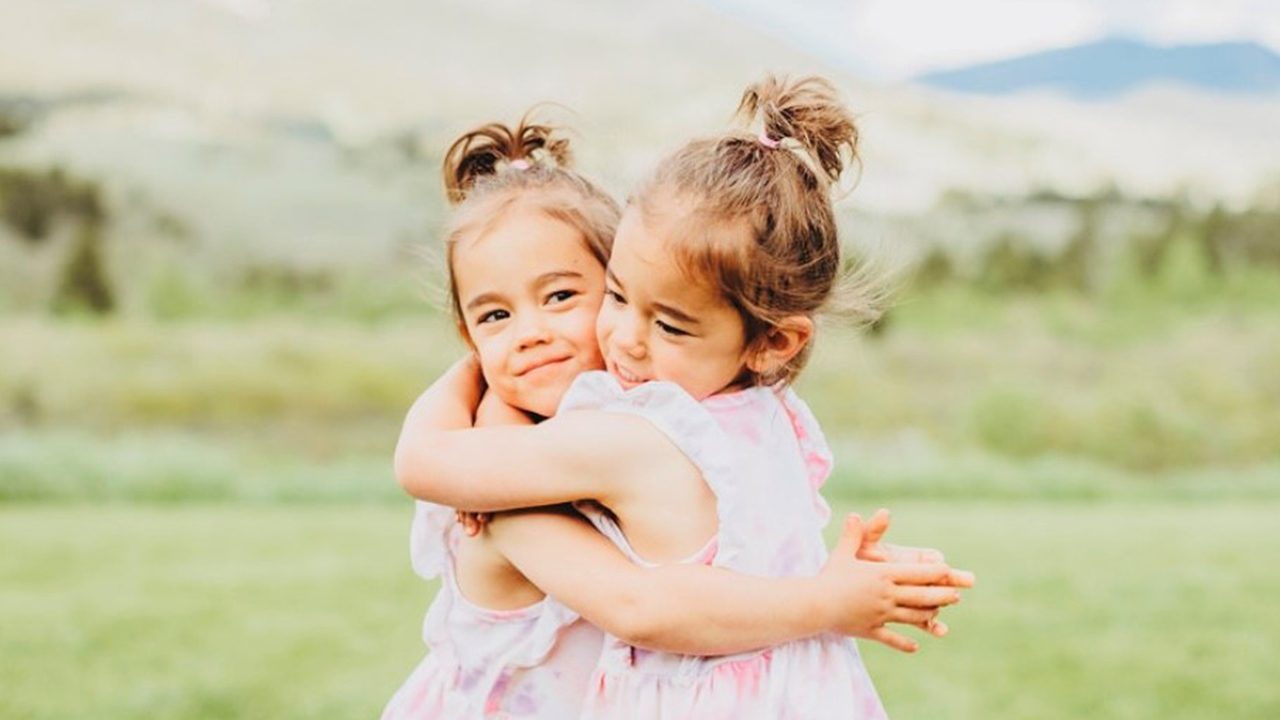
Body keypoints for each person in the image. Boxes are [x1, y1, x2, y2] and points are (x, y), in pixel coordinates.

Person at [391, 98, 973, 719]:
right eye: (495, 317)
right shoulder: (769, 413)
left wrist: (481, 376)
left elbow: (428, 462)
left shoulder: (630, 437)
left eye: (563, 296)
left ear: (774, 342)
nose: (630, 339)